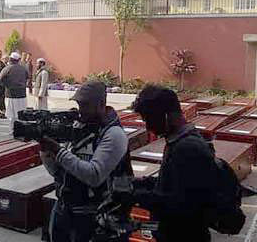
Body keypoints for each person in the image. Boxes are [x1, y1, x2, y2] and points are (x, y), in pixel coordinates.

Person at [40, 81, 132, 242]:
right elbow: (58, 172)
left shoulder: (114, 134)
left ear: (101, 104)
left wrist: (58, 151)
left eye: (85, 105)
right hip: (66, 211)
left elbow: (94, 175)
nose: (80, 110)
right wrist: (45, 152)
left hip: (97, 220)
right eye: (79, 104)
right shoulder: (80, 127)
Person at [131, 85, 219, 242]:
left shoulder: (187, 148)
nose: (148, 127)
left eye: (150, 119)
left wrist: (136, 195)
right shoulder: (180, 141)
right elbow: (173, 184)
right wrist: (142, 183)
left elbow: (179, 204)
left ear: (166, 115)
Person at [0, 52, 29, 132]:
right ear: (18, 60)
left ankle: (12, 130)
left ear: (11, 59)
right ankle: (21, 130)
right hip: (22, 95)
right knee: (21, 114)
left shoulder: (7, 68)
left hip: (10, 94)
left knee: (11, 114)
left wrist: (6, 84)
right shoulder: (23, 68)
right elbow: (28, 78)